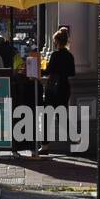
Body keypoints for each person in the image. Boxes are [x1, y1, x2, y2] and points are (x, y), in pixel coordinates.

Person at [40, 27, 76, 155]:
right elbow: (72, 72)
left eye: (55, 41)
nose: (54, 43)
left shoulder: (55, 55)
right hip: (65, 88)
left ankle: (45, 146)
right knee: (62, 116)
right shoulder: (70, 56)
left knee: (47, 116)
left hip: (53, 89)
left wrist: (37, 70)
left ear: (57, 41)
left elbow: (48, 71)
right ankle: (76, 140)